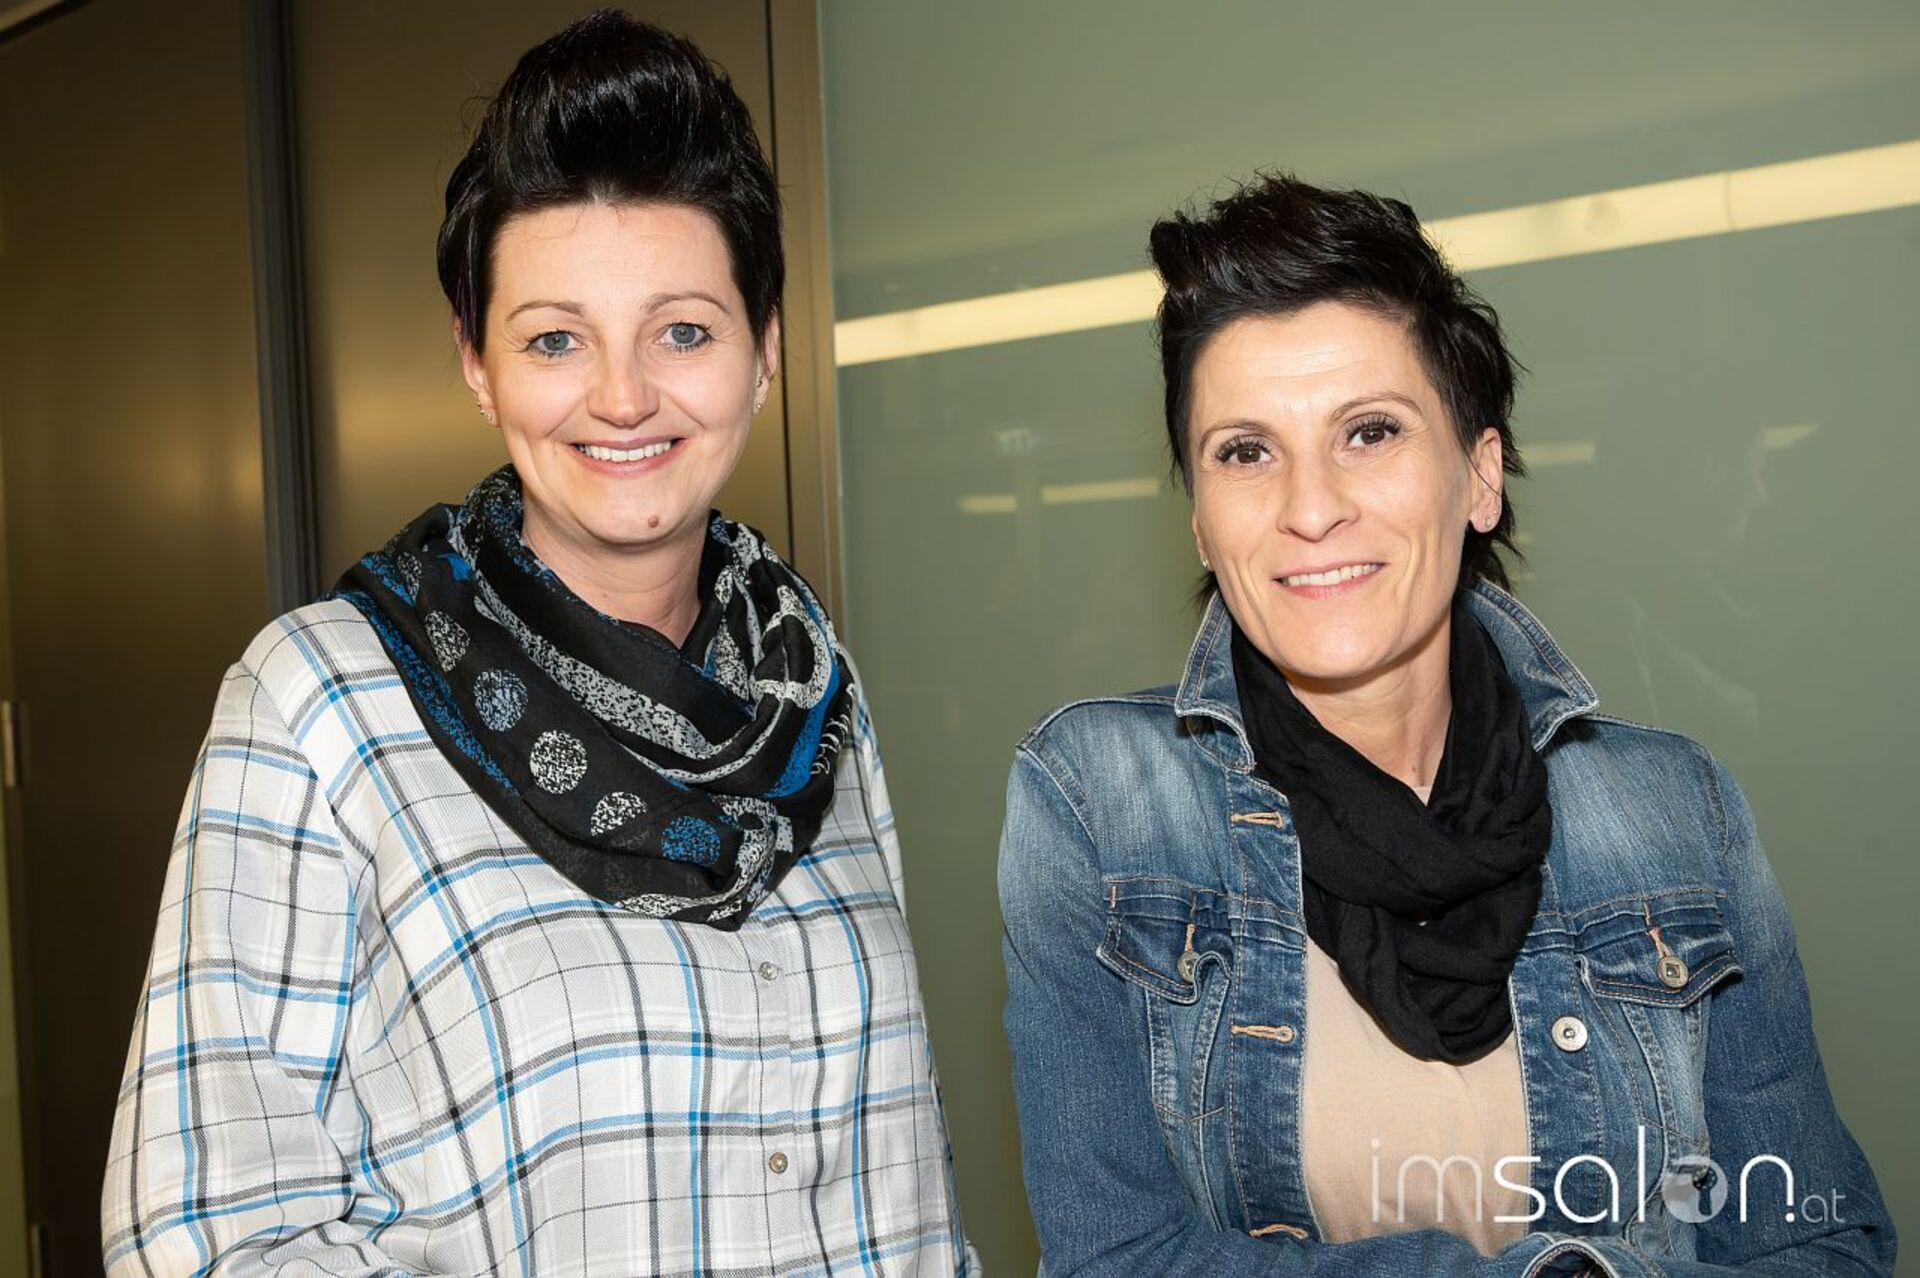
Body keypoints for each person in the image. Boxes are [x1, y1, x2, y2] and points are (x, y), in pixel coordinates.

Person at [104, 13, 972, 1275]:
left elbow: (914, 1184)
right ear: (478, 364)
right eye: (555, 338)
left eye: (684, 330)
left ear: (765, 350)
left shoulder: (809, 689)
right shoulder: (322, 706)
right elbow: (203, 1237)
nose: (623, 396)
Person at [998, 174, 1895, 1276]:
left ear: (1479, 477)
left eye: (1369, 432)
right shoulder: (1099, 803)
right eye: (1245, 451)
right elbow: (1118, 1262)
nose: (1310, 507)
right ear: (1197, 518)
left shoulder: (1675, 813)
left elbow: (1821, 1246)